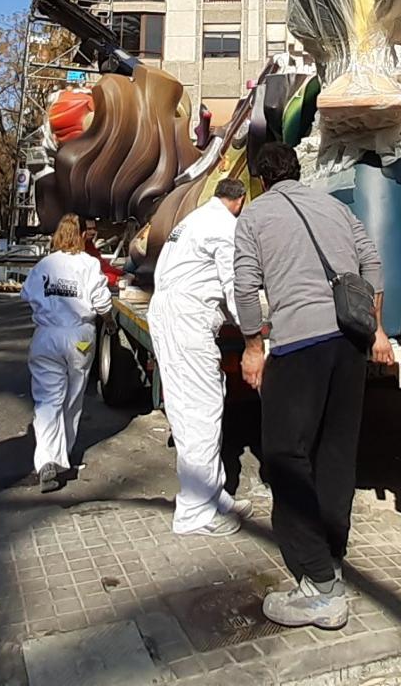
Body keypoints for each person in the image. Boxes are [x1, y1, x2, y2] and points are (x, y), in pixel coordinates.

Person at [234, 142, 392, 631]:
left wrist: (252, 345)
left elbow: (244, 287)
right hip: (349, 342)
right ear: (297, 171)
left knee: (283, 455)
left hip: (298, 342)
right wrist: (375, 326)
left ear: (260, 178)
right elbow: (373, 266)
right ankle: (332, 551)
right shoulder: (336, 207)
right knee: (336, 451)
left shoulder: (254, 216)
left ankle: (322, 586)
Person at [148, 179, 252, 536]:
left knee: (198, 407)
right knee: (201, 412)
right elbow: (235, 284)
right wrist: (256, 328)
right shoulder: (224, 226)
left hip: (172, 313)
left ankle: (212, 494)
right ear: (238, 202)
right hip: (188, 319)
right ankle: (195, 512)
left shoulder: (192, 221)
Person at [21, 213, 112, 493]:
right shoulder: (89, 264)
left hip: (47, 336)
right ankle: (64, 455)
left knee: (47, 401)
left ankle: (48, 458)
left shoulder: (44, 265)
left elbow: (27, 294)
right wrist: (108, 319)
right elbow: (101, 301)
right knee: (72, 399)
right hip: (79, 337)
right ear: (82, 235)